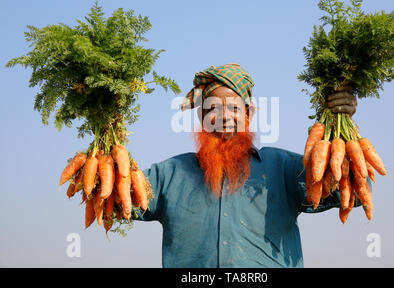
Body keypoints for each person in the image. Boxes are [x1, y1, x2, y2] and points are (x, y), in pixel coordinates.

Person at [135, 63, 358, 268]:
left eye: (234, 108)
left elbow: (351, 189)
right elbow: (114, 196)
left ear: (248, 114)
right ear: (201, 115)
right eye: (213, 108)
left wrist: (343, 126)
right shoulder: (170, 175)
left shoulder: (283, 169)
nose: (224, 117)